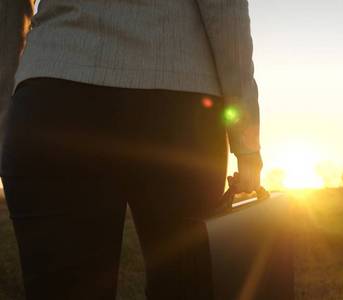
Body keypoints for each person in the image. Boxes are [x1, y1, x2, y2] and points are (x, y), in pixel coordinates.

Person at [0, 0, 262, 299]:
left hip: (52, 94)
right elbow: (224, 9)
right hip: (178, 109)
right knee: (186, 287)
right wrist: (247, 144)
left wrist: (6, 117)